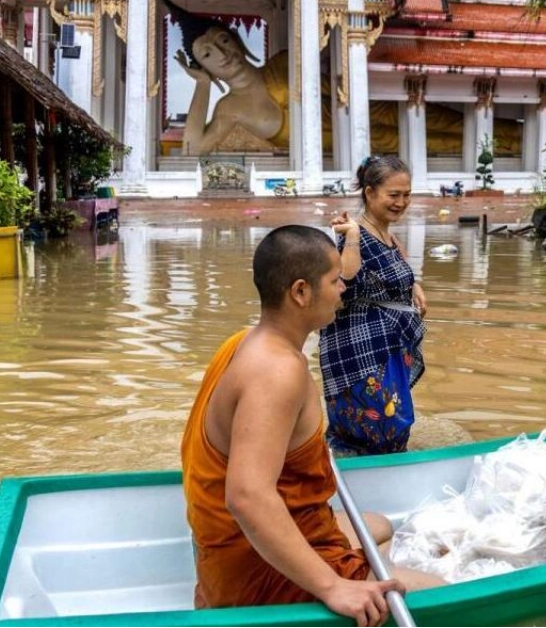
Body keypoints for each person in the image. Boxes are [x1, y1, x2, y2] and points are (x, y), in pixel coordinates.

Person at [181, 225, 441, 626]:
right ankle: (333, 580)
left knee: (380, 525)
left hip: (229, 554)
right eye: (335, 280)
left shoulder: (243, 341)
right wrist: (332, 587)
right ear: (301, 292)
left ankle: (357, 566)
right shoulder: (277, 371)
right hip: (253, 578)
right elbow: (247, 496)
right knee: (442, 589)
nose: (343, 289)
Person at [319, 156, 427, 456]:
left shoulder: (386, 234)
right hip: (360, 350)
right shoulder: (352, 233)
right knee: (376, 421)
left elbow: (396, 269)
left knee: (395, 417)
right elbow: (344, 283)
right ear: (369, 193)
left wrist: (413, 285)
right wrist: (352, 236)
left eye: (406, 194)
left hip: (388, 346)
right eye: (393, 195)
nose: (401, 202)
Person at [162, 0, 332, 154]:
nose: (222, 54)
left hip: (345, 146)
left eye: (224, 40)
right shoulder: (229, 108)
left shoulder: (282, 63)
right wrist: (202, 84)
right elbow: (192, 151)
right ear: (206, 68)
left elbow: (338, 93)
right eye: (207, 55)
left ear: (237, 40)